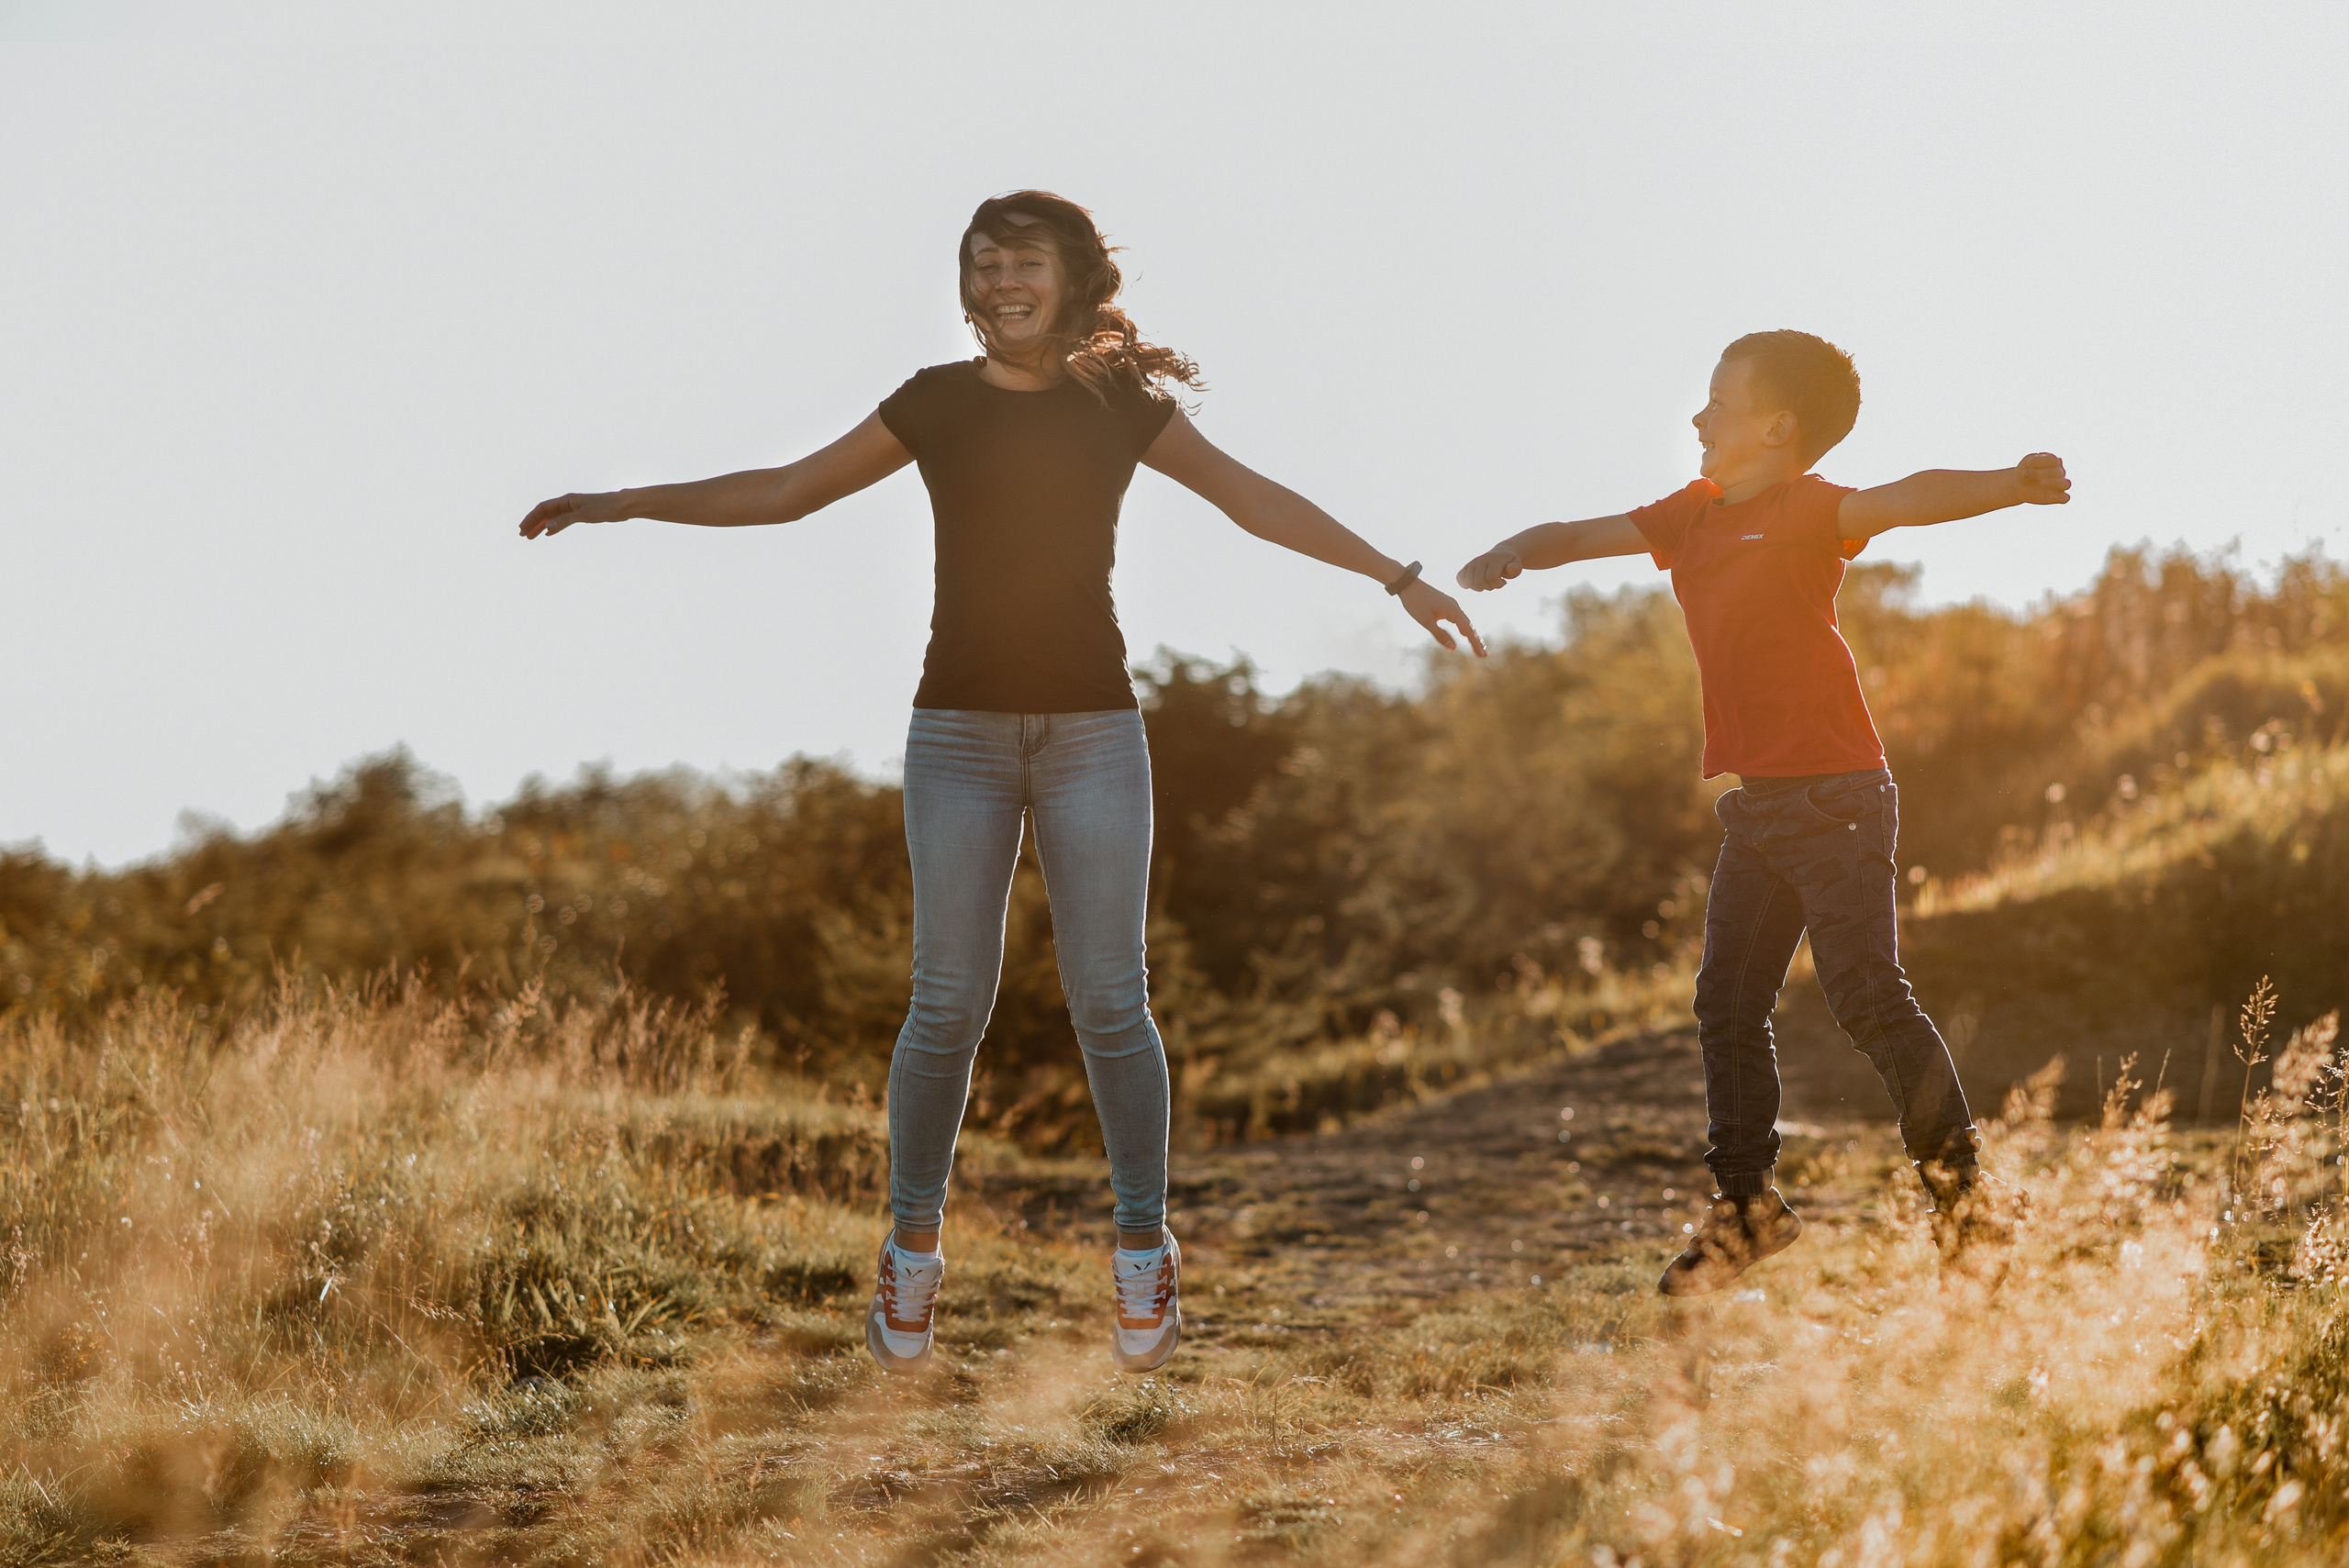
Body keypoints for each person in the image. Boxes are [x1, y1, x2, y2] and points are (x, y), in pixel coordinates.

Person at [521, 191, 1485, 1372]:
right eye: (978, 264)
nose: (994, 281)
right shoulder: (934, 402)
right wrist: (621, 501)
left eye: (1020, 261)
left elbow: (1252, 500)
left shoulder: (1119, 404)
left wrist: (1401, 577)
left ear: (1071, 279)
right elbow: (787, 489)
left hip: (1092, 734)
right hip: (957, 738)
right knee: (945, 1003)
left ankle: (1142, 1249)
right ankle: (911, 1256)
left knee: (1109, 1001)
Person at [1455, 330, 2067, 1295]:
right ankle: (1747, 1208)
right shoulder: (1690, 517)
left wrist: (2010, 480)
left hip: (1837, 797)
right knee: (1726, 1001)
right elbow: (1579, 536)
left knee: (1866, 995)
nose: (1698, 417)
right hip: (1760, 810)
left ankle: (1964, 1209)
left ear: (1776, 427)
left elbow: (1905, 498)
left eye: (1718, 401)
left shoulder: (1805, 509)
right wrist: (1513, 552)